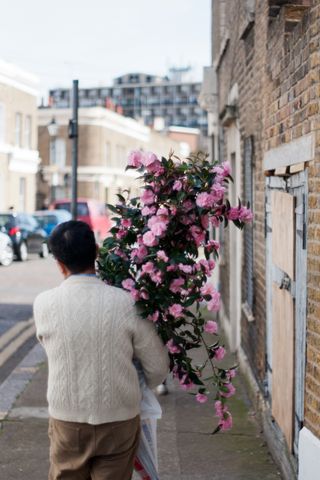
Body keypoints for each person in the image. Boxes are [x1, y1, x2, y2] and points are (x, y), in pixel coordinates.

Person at [33, 220, 169, 480]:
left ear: (58, 263)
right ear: (97, 252)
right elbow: (158, 367)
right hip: (119, 417)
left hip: (67, 418)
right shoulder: (127, 303)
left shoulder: (44, 304)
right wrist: (135, 387)